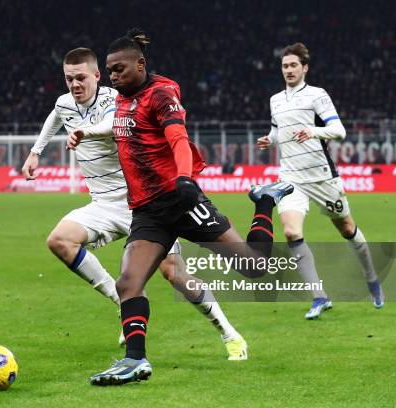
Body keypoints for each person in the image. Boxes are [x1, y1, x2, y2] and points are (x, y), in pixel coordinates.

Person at [69, 29, 293, 386]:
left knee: (254, 267)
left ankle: (265, 201)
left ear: (140, 65)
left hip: (180, 200)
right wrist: (88, 133)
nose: (113, 76)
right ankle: (135, 361)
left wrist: (186, 179)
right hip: (146, 210)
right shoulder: (122, 100)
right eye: (109, 70)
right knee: (129, 283)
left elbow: (177, 137)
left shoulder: (161, 93)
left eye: (119, 69)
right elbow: (118, 128)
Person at [23, 47, 248, 359]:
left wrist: (84, 132)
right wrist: (36, 151)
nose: (75, 84)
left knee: (175, 275)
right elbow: (55, 116)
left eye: (81, 78)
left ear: (97, 76)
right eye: (68, 79)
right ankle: (120, 302)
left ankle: (228, 332)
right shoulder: (64, 104)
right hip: (101, 203)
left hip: (141, 203)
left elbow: (113, 125)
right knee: (59, 240)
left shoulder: (114, 99)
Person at [256, 43, 383, 319]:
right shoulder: (275, 100)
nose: (288, 70)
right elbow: (278, 130)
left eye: (293, 65)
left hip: (321, 176)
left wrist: (313, 131)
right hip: (290, 176)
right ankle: (319, 296)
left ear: (305, 68)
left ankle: (372, 279)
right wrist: (270, 139)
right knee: (291, 232)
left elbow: (339, 131)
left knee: (347, 228)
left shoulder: (317, 95)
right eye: (284, 66)